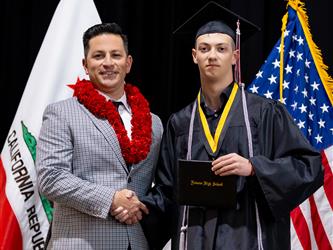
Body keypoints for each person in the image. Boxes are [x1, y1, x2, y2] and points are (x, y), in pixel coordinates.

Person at [141, 2, 324, 250]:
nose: (212, 55)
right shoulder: (181, 122)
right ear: (195, 56)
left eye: (221, 48)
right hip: (195, 240)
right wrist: (136, 207)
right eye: (204, 49)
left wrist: (253, 167)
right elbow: (167, 190)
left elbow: (308, 167)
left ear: (235, 55)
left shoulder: (266, 113)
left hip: (248, 239)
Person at [36, 22, 163, 249]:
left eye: (116, 55)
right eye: (98, 56)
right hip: (80, 243)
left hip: (135, 243)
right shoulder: (61, 113)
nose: (108, 63)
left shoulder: (154, 123)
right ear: (85, 65)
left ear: (128, 63)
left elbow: (161, 184)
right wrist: (111, 199)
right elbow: (50, 177)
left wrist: (141, 205)